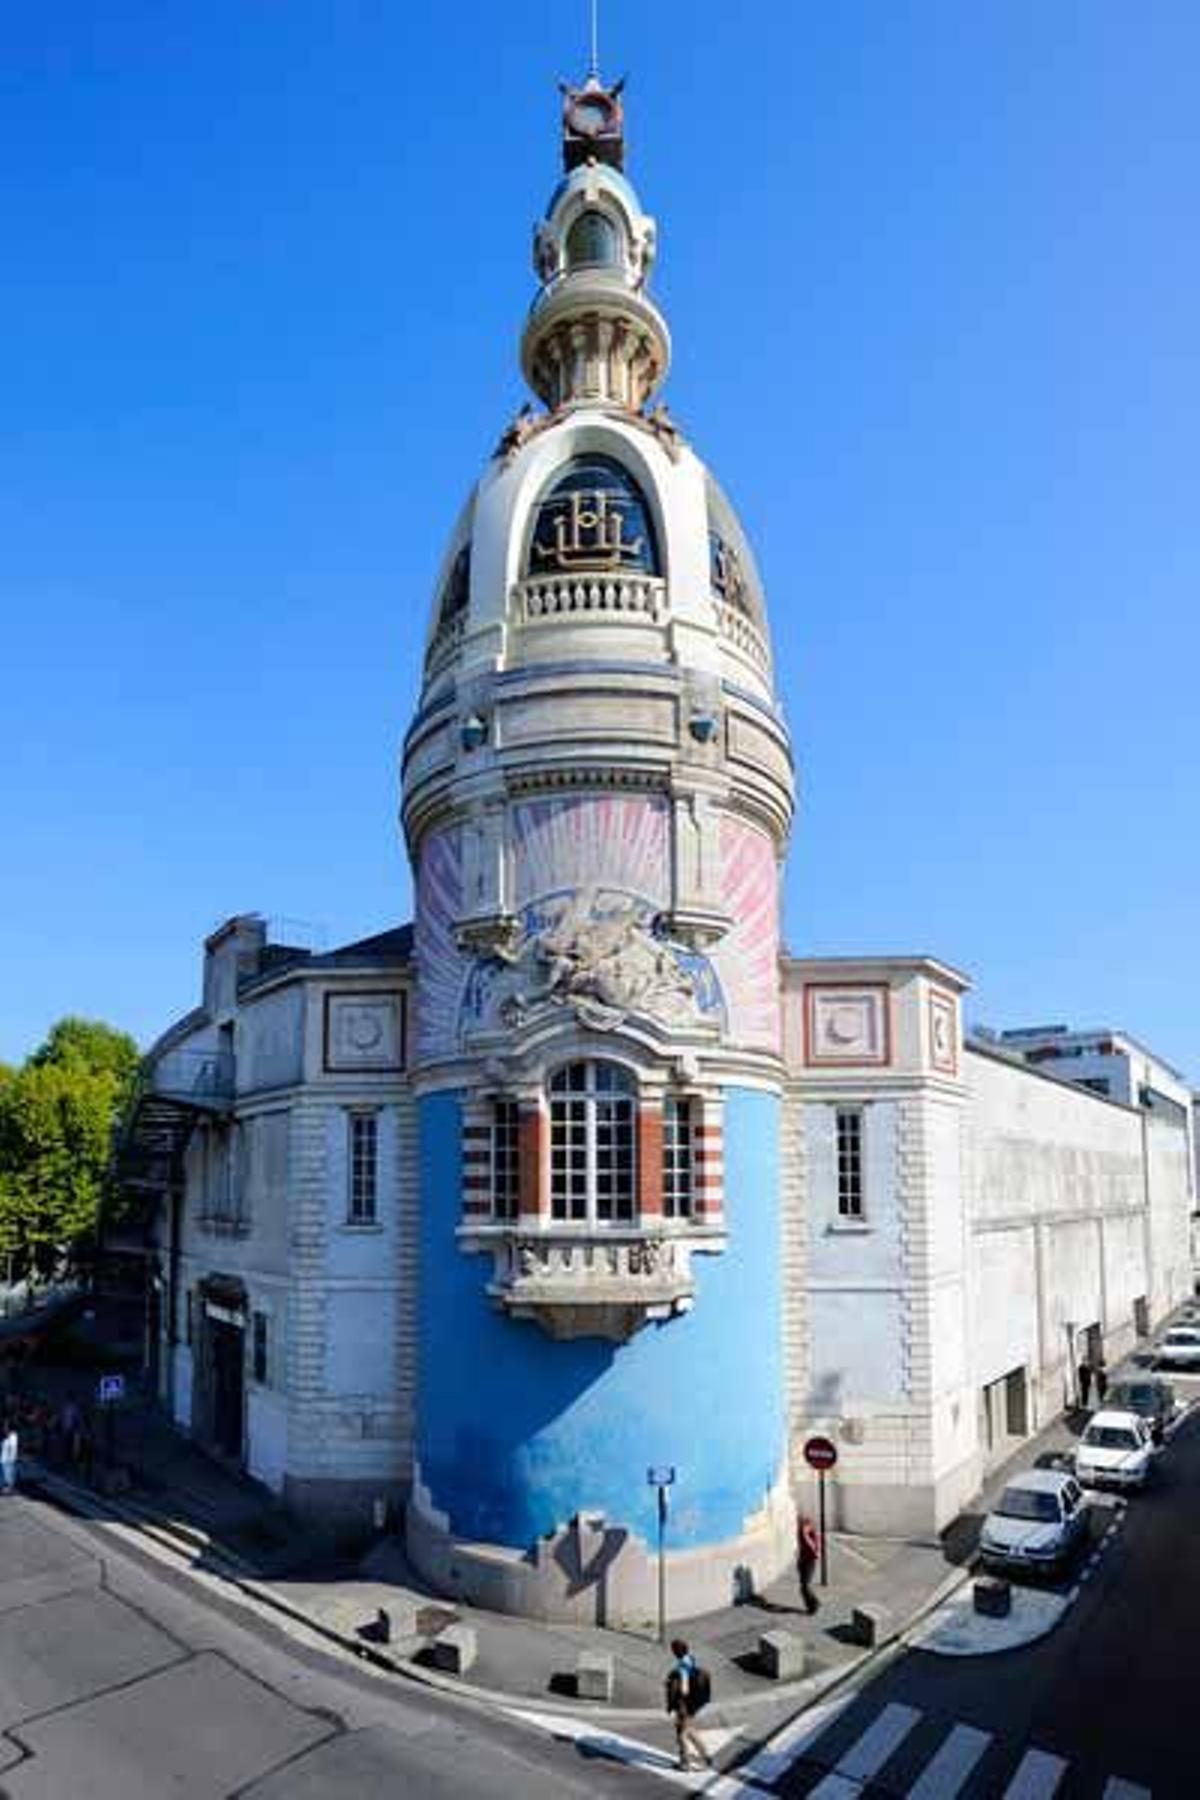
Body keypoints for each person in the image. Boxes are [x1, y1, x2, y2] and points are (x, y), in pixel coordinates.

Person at [665, 1638, 712, 1773]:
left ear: (675, 1652)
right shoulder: (690, 1658)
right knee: (689, 1730)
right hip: (694, 1704)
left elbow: (685, 1690)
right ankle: (706, 1757)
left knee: (681, 1735)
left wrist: (672, 1684)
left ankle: (685, 1763)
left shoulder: (682, 1667)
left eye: (673, 1649)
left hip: (685, 1706)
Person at [797, 1513, 821, 1614]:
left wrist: (805, 1534)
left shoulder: (809, 1533)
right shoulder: (804, 1532)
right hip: (803, 1561)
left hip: (809, 1562)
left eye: (803, 1524)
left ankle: (813, 1606)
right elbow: (803, 1547)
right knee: (804, 1586)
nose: (801, 1526)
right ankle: (814, 1603)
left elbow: (813, 1548)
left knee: (804, 1587)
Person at [0, 1423, 18, 1494]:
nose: (5, 1429)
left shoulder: (13, 1436)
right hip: (4, 1459)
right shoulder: (4, 1437)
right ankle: (5, 1487)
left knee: (8, 1473)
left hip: (8, 1460)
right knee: (5, 1473)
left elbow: (13, 1448)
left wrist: (12, 1458)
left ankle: (8, 1487)